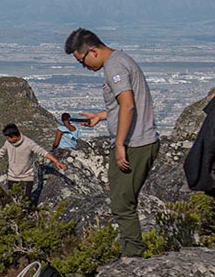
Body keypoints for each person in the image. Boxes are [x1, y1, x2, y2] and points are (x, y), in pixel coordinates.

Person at [65, 30, 160, 257]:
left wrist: (119, 144)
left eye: (82, 61)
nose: (84, 66)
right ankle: (132, 252)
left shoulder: (114, 67)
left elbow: (128, 105)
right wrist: (100, 115)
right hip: (139, 141)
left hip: (135, 143)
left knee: (121, 203)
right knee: (123, 199)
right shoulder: (121, 60)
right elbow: (124, 106)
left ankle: (132, 255)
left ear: (93, 51)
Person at [0, 123, 69, 208]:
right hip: (12, 178)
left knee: (24, 204)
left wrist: (56, 162)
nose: (7, 139)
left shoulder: (28, 143)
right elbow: (1, 152)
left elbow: (43, 152)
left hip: (26, 178)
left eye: (9, 137)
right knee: (13, 205)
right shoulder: (8, 143)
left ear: (15, 136)